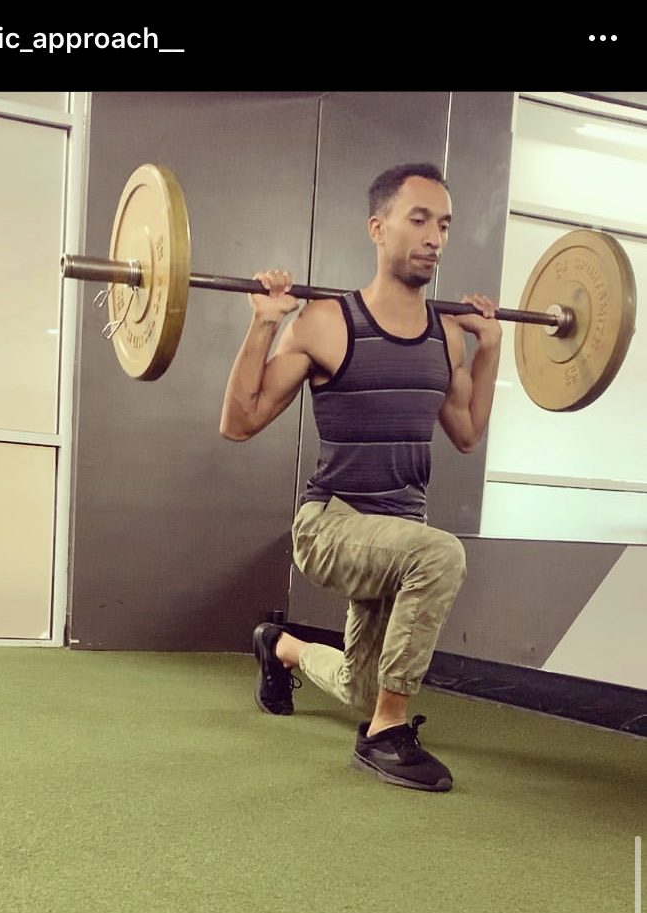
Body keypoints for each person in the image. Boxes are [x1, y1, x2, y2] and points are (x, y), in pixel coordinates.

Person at [219, 162, 502, 792]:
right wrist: (264, 323)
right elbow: (239, 422)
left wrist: (491, 351)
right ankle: (384, 735)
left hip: (398, 537)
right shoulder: (326, 321)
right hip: (331, 526)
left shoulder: (446, 336)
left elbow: (466, 432)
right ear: (378, 228)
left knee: (361, 687)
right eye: (418, 219)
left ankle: (280, 646)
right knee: (440, 555)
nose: (434, 237)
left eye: (444, 225)